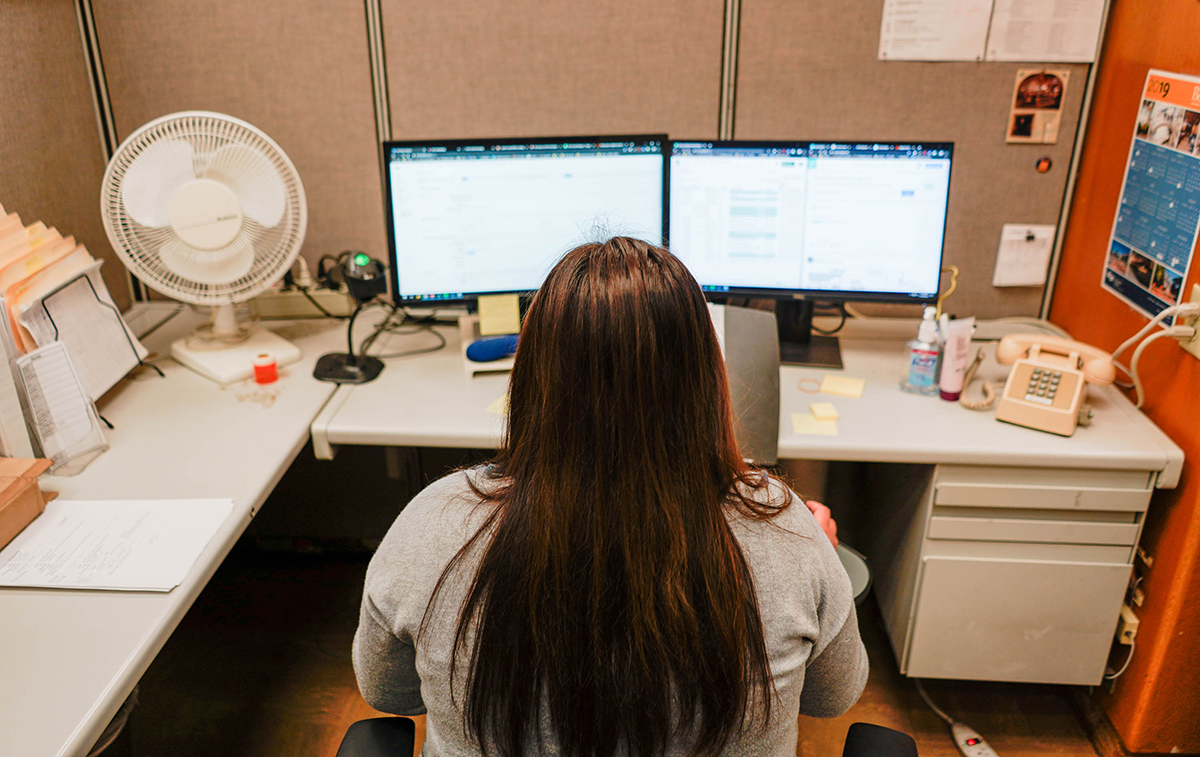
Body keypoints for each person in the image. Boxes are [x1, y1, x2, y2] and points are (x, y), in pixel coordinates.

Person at [353, 237, 867, 757]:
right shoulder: (791, 535)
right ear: (707, 377)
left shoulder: (431, 525)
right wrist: (816, 556)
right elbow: (832, 697)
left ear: (531, 375)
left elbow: (389, 693)